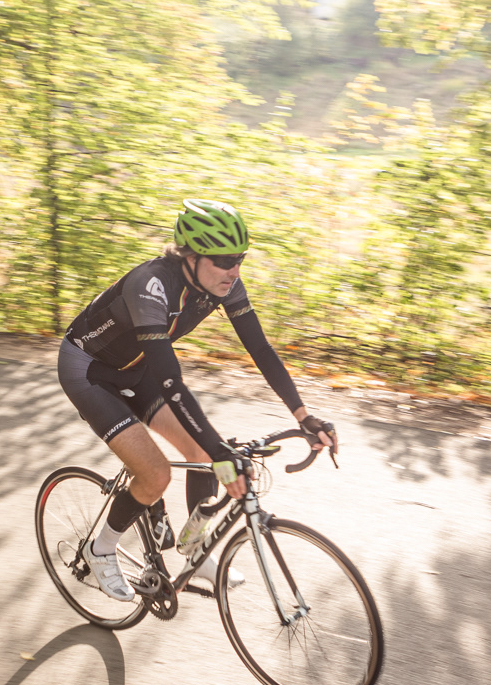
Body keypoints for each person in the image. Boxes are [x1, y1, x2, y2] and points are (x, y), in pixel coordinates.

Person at [58, 199, 338, 601]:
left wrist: (303, 415)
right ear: (190, 256)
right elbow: (170, 380)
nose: (234, 270)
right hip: (90, 372)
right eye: (224, 260)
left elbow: (260, 350)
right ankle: (100, 549)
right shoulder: (151, 285)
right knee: (156, 475)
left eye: (240, 258)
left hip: (138, 369)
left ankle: (196, 550)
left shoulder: (223, 284)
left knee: (205, 453)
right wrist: (220, 450)